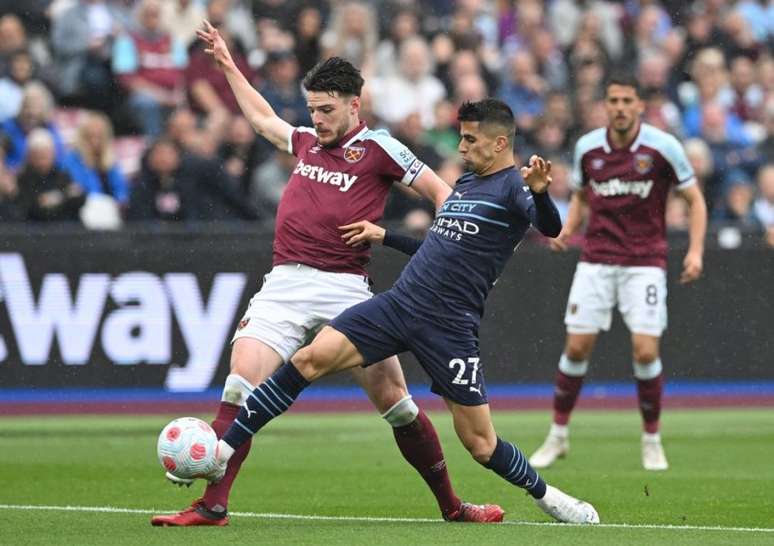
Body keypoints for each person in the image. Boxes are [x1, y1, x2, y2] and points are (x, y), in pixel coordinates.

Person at [150, 21, 504, 526]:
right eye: (312, 108)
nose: (316, 119)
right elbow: (264, 120)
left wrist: (445, 250)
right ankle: (212, 505)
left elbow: (444, 196)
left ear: (353, 105)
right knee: (237, 387)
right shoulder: (305, 143)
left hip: (346, 290)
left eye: (326, 109)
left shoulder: (380, 147)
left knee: (398, 405)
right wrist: (228, 64)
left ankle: (452, 506)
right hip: (285, 284)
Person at [205, 99, 601, 525]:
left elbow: (551, 227)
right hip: (400, 304)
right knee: (309, 358)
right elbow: (437, 248)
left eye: (470, 139)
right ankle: (222, 452)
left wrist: (541, 194)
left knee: (481, 444)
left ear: (500, 142)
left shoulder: (514, 189)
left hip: (449, 325)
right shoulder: (466, 183)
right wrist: (386, 236)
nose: (462, 147)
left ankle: (548, 496)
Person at [529, 74, 708, 472]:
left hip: (645, 263)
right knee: (576, 348)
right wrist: (568, 229)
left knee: (645, 351)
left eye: (628, 100)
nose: (621, 107)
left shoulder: (663, 147)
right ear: (606, 105)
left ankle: (652, 439)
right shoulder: (588, 147)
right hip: (596, 260)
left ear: (640, 105)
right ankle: (558, 435)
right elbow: (580, 196)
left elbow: (694, 199)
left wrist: (695, 251)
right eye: (614, 100)